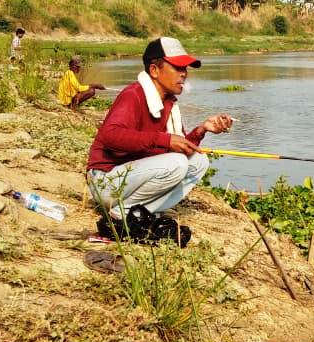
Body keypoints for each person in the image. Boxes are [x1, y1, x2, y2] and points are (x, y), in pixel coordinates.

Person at [86, 37, 233, 242]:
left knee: (199, 162)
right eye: (177, 67)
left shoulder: (169, 104)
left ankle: (138, 212)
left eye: (186, 68)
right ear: (154, 70)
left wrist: (202, 130)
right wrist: (163, 139)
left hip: (129, 180)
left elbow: (176, 145)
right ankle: (121, 214)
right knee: (176, 163)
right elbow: (110, 136)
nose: (184, 74)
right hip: (106, 182)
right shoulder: (133, 95)